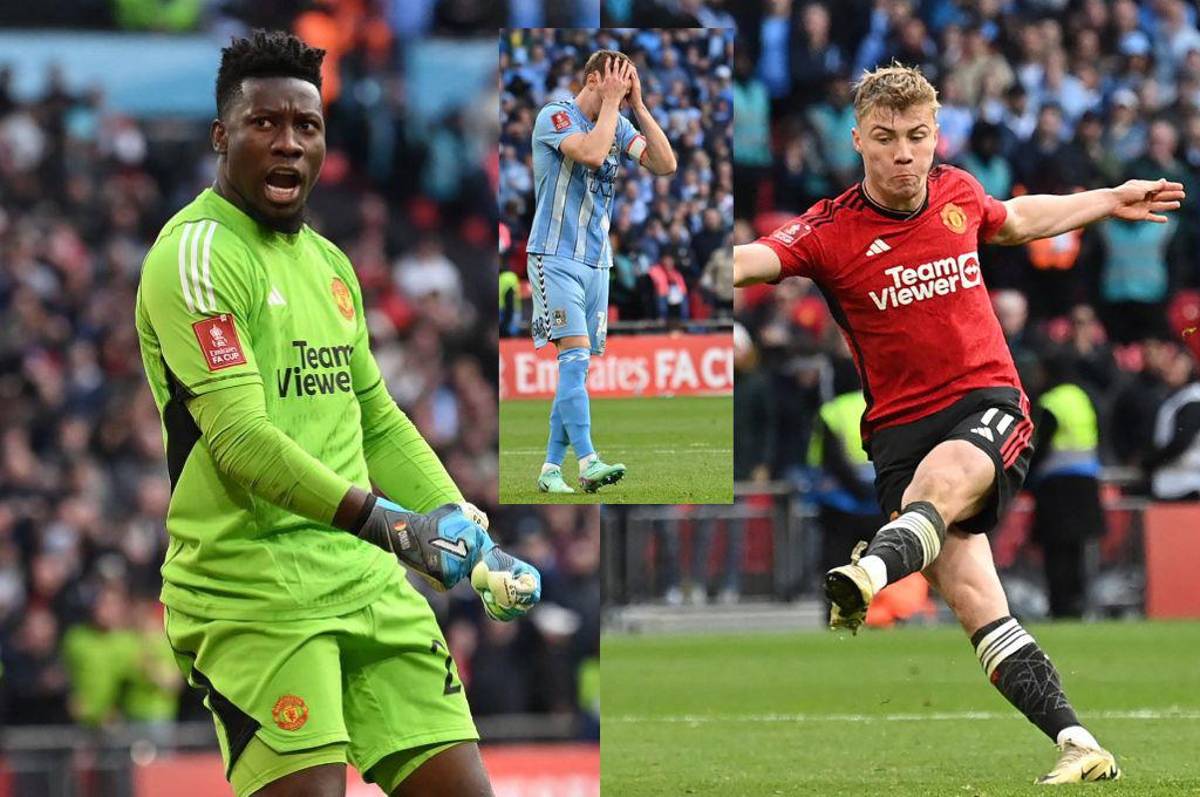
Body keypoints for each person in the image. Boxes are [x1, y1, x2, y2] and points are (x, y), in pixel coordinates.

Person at [734, 63, 1185, 784]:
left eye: (917, 136)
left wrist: (1107, 199)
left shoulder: (959, 192)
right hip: (896, 434)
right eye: (886, 138)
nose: (904, 154)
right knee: (981, 607)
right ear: (857, 139)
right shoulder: (829, 230)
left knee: (940, 486)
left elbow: (1019, 219)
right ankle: (1078, 741)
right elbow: (752, 260)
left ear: (936, 135)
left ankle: (868, 571)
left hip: (987, 405)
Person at [134, 31, 540, 797]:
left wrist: (465, 530)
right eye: (264, 123)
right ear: (221, 135)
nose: (288, 143)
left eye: (306, 125)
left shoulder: (329, 264)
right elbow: (241, 441)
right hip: (254, 589)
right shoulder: (195, 255)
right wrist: (393, 526)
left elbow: (374, 417)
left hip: (366, 581)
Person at [526, 49, 676, 494]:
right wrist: (612, 103)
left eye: (629, 85)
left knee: (576, 371)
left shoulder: (620, 123)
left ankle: (550, 470)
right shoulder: (555, 116)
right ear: (593, 79)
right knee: (573, 361)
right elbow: (591, 154)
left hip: (597, 262)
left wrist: (640, 108)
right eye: (618, 81)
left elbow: (665, 164)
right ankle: (589, 461)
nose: (623, 91)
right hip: (554, 256)